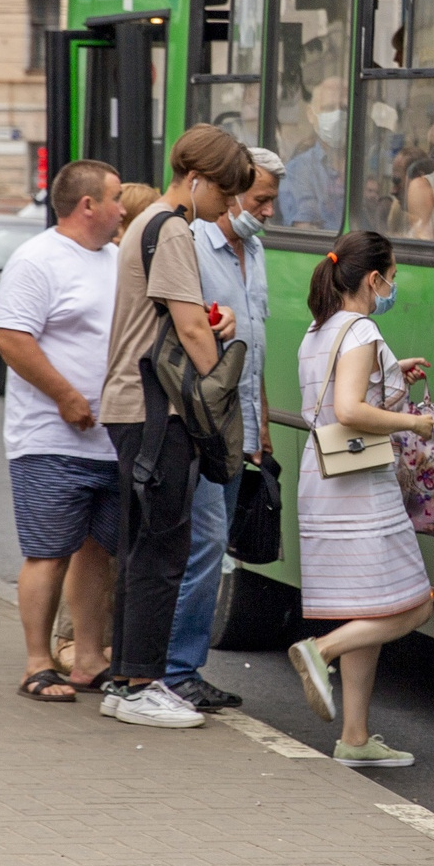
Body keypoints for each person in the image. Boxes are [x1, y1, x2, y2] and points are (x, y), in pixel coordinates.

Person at [95, 125, 247, 728]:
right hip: (157, 408)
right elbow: (188, 328)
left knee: (142, 544)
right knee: (164, 545)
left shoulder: (145, 224)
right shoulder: (175, 227)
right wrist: (217, 392)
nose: (229, 207)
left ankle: (126, 678)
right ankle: (143, 686)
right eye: (226, 193)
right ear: (199, 180)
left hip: (131, 405)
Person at [286, 230, 434, 768]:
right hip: (358, 478)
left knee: (364, 607)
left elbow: (340, 397)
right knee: (416, 603)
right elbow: (350, 410)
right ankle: (317, 652)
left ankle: (354, 737)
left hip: (323, 472)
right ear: (372, 279)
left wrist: (394, 375)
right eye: (391, 278)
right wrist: (413, 422)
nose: (392, 287)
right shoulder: (362, 329)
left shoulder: (319, 328)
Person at [0, 159, 128, 704]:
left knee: (97, 550)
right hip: (50, 435)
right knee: (48, 551)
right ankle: (37, 662)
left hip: (109, 437)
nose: (123, 208)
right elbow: (10, 337)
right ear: (87, 205)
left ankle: (89, 658)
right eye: (116, 197)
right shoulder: (37, 260)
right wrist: (66, 396)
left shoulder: (118, 260)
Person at [166, 147, 281, 707]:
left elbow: (253, 344)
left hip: (242, 423)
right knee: (205, 542)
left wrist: (262, 421)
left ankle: (179, 667)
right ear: (231, 192)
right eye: (260, 199)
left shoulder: (255, 250)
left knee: (215, 544)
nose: (268, 211)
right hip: (203, 420)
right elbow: (192, 333)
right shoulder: (189, 244)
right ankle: (173, 669)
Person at [279, 76, 347, 229]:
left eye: (344, 109)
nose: (338, 116)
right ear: (311, 114)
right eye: (329, 108)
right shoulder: (297, 170)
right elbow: (305, 229)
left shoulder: (362, 165)